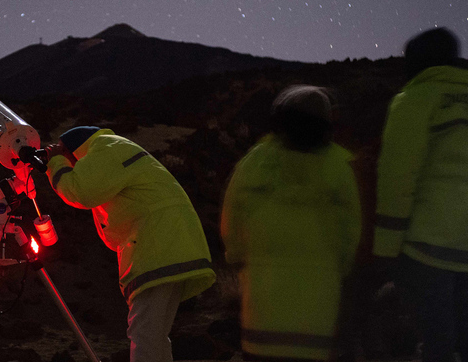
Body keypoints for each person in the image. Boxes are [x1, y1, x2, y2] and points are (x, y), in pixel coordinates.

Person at [44, 126, 216, 362]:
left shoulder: (106, 149)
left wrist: (55, 164)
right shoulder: (115, 148)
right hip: (168, 243)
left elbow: (81, 192)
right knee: (153, 335)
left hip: (157, 246)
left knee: (145, 334)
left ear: (74, 151)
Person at [221, 85, 361, 361]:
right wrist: (344, 269)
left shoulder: (255, 163)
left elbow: (233, 219)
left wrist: (238, 259)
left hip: (263, 311)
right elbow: (351, 230)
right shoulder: (341, 166)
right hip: (317, 318)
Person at [373, 27, 468, 362]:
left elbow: (398, 178)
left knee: (437, 341)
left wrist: (384, 251)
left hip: (427, 247)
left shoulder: (416, 99)